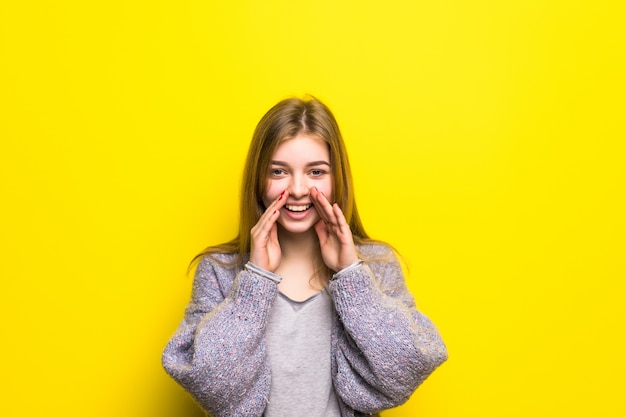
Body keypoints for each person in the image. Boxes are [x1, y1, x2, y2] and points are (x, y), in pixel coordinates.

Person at [162, 96, 447, 417]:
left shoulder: (376, 266)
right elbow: (211, 383)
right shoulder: (220, 271)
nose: (298, 189)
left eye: (316, 172)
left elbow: (404, 371)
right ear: (258, 180)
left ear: (337, 178)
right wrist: (255, 279)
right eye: (279, 171)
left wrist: (351, 274)